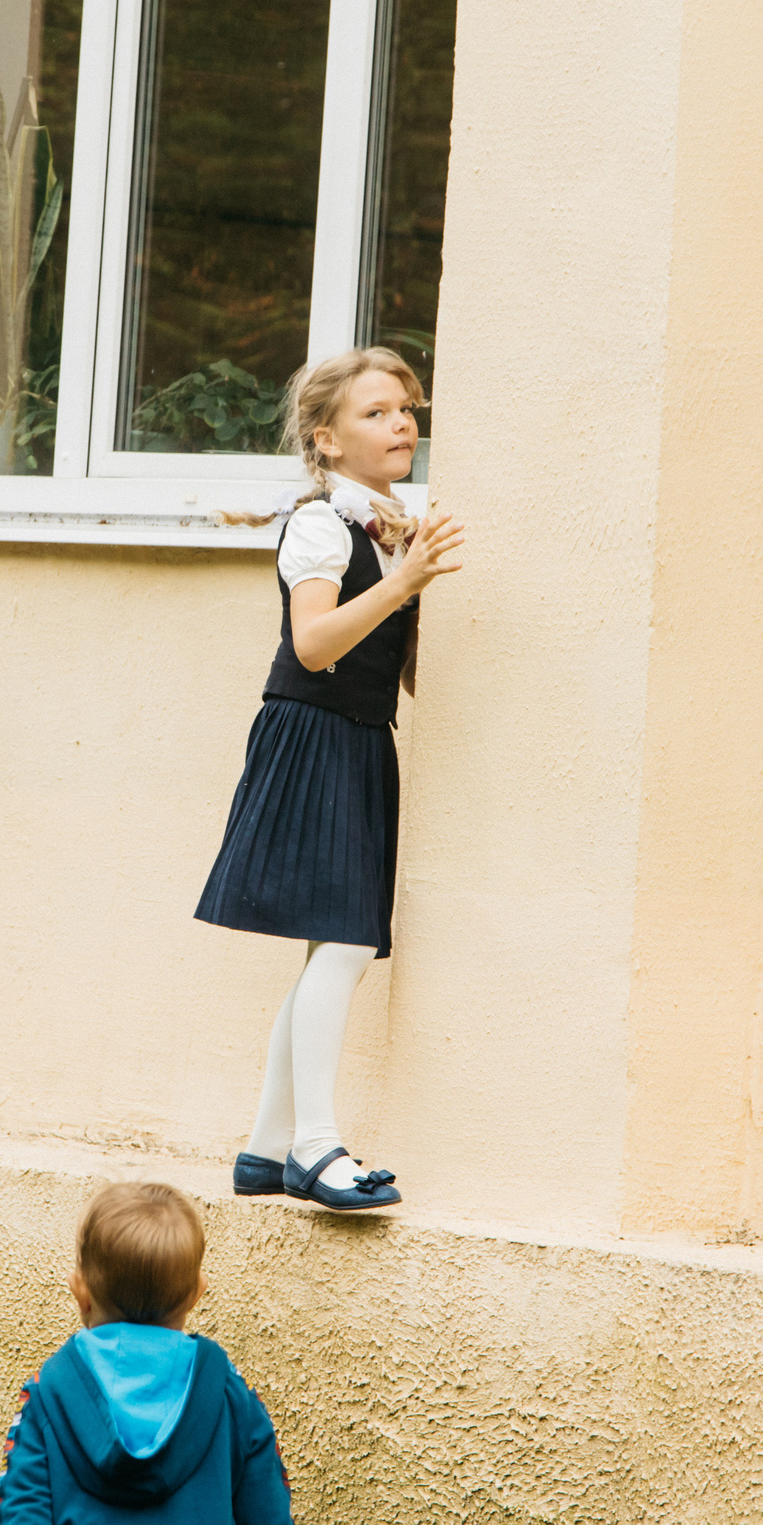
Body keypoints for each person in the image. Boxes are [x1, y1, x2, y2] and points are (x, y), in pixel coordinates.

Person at [196, 348, 464, 1213]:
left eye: (407, 409)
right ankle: (314, 1146)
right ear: (327, 439)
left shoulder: (388, 530)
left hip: (359, 738)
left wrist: (413, 581)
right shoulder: (321, 525)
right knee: (343, 942)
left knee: (331, 943)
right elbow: (314, 644)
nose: (402, 424)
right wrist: (409, 579)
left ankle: (267, 1148)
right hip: (312, 736)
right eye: (378, 412)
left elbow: (393, 662)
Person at [0, 1182, 297, 1525]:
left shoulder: (48, 1394)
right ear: (196, 1294)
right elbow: (269, 1521)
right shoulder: (230, 1393)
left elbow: (22, 1519)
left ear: (81, 1293)